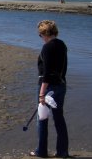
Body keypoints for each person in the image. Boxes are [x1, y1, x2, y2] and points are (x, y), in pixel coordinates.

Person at [30, 20, 69, 158]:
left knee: (42, 120)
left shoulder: (47, 47)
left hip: (47, 87)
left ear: (44, 33)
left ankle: (41, 151)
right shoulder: (62, 45)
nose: (41, 38)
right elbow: (62, 67)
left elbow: (46, 73)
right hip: (61, 85)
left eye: (40, 35)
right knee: (59, 118)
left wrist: (41, 94)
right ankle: (63, 151)